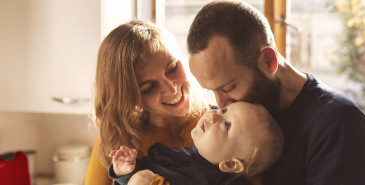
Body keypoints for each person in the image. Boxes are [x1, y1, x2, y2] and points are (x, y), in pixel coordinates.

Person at [186, 1, 365, 185]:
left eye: (228, 88)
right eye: (211, 91)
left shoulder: (338, 124)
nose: (220, 105)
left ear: (268, 61)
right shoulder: (223, 121)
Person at [84, 20, 209, 185]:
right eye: (149, 88)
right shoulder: (115, 145)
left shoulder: (222, 126)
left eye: (172, 68)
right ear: (128, 97)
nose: (171, 89)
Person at [109, 102, 284, 185]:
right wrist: (125, 171)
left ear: (231, 163)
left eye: (227, 124)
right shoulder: (168, 155)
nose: (214, 113)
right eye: (224, 110)